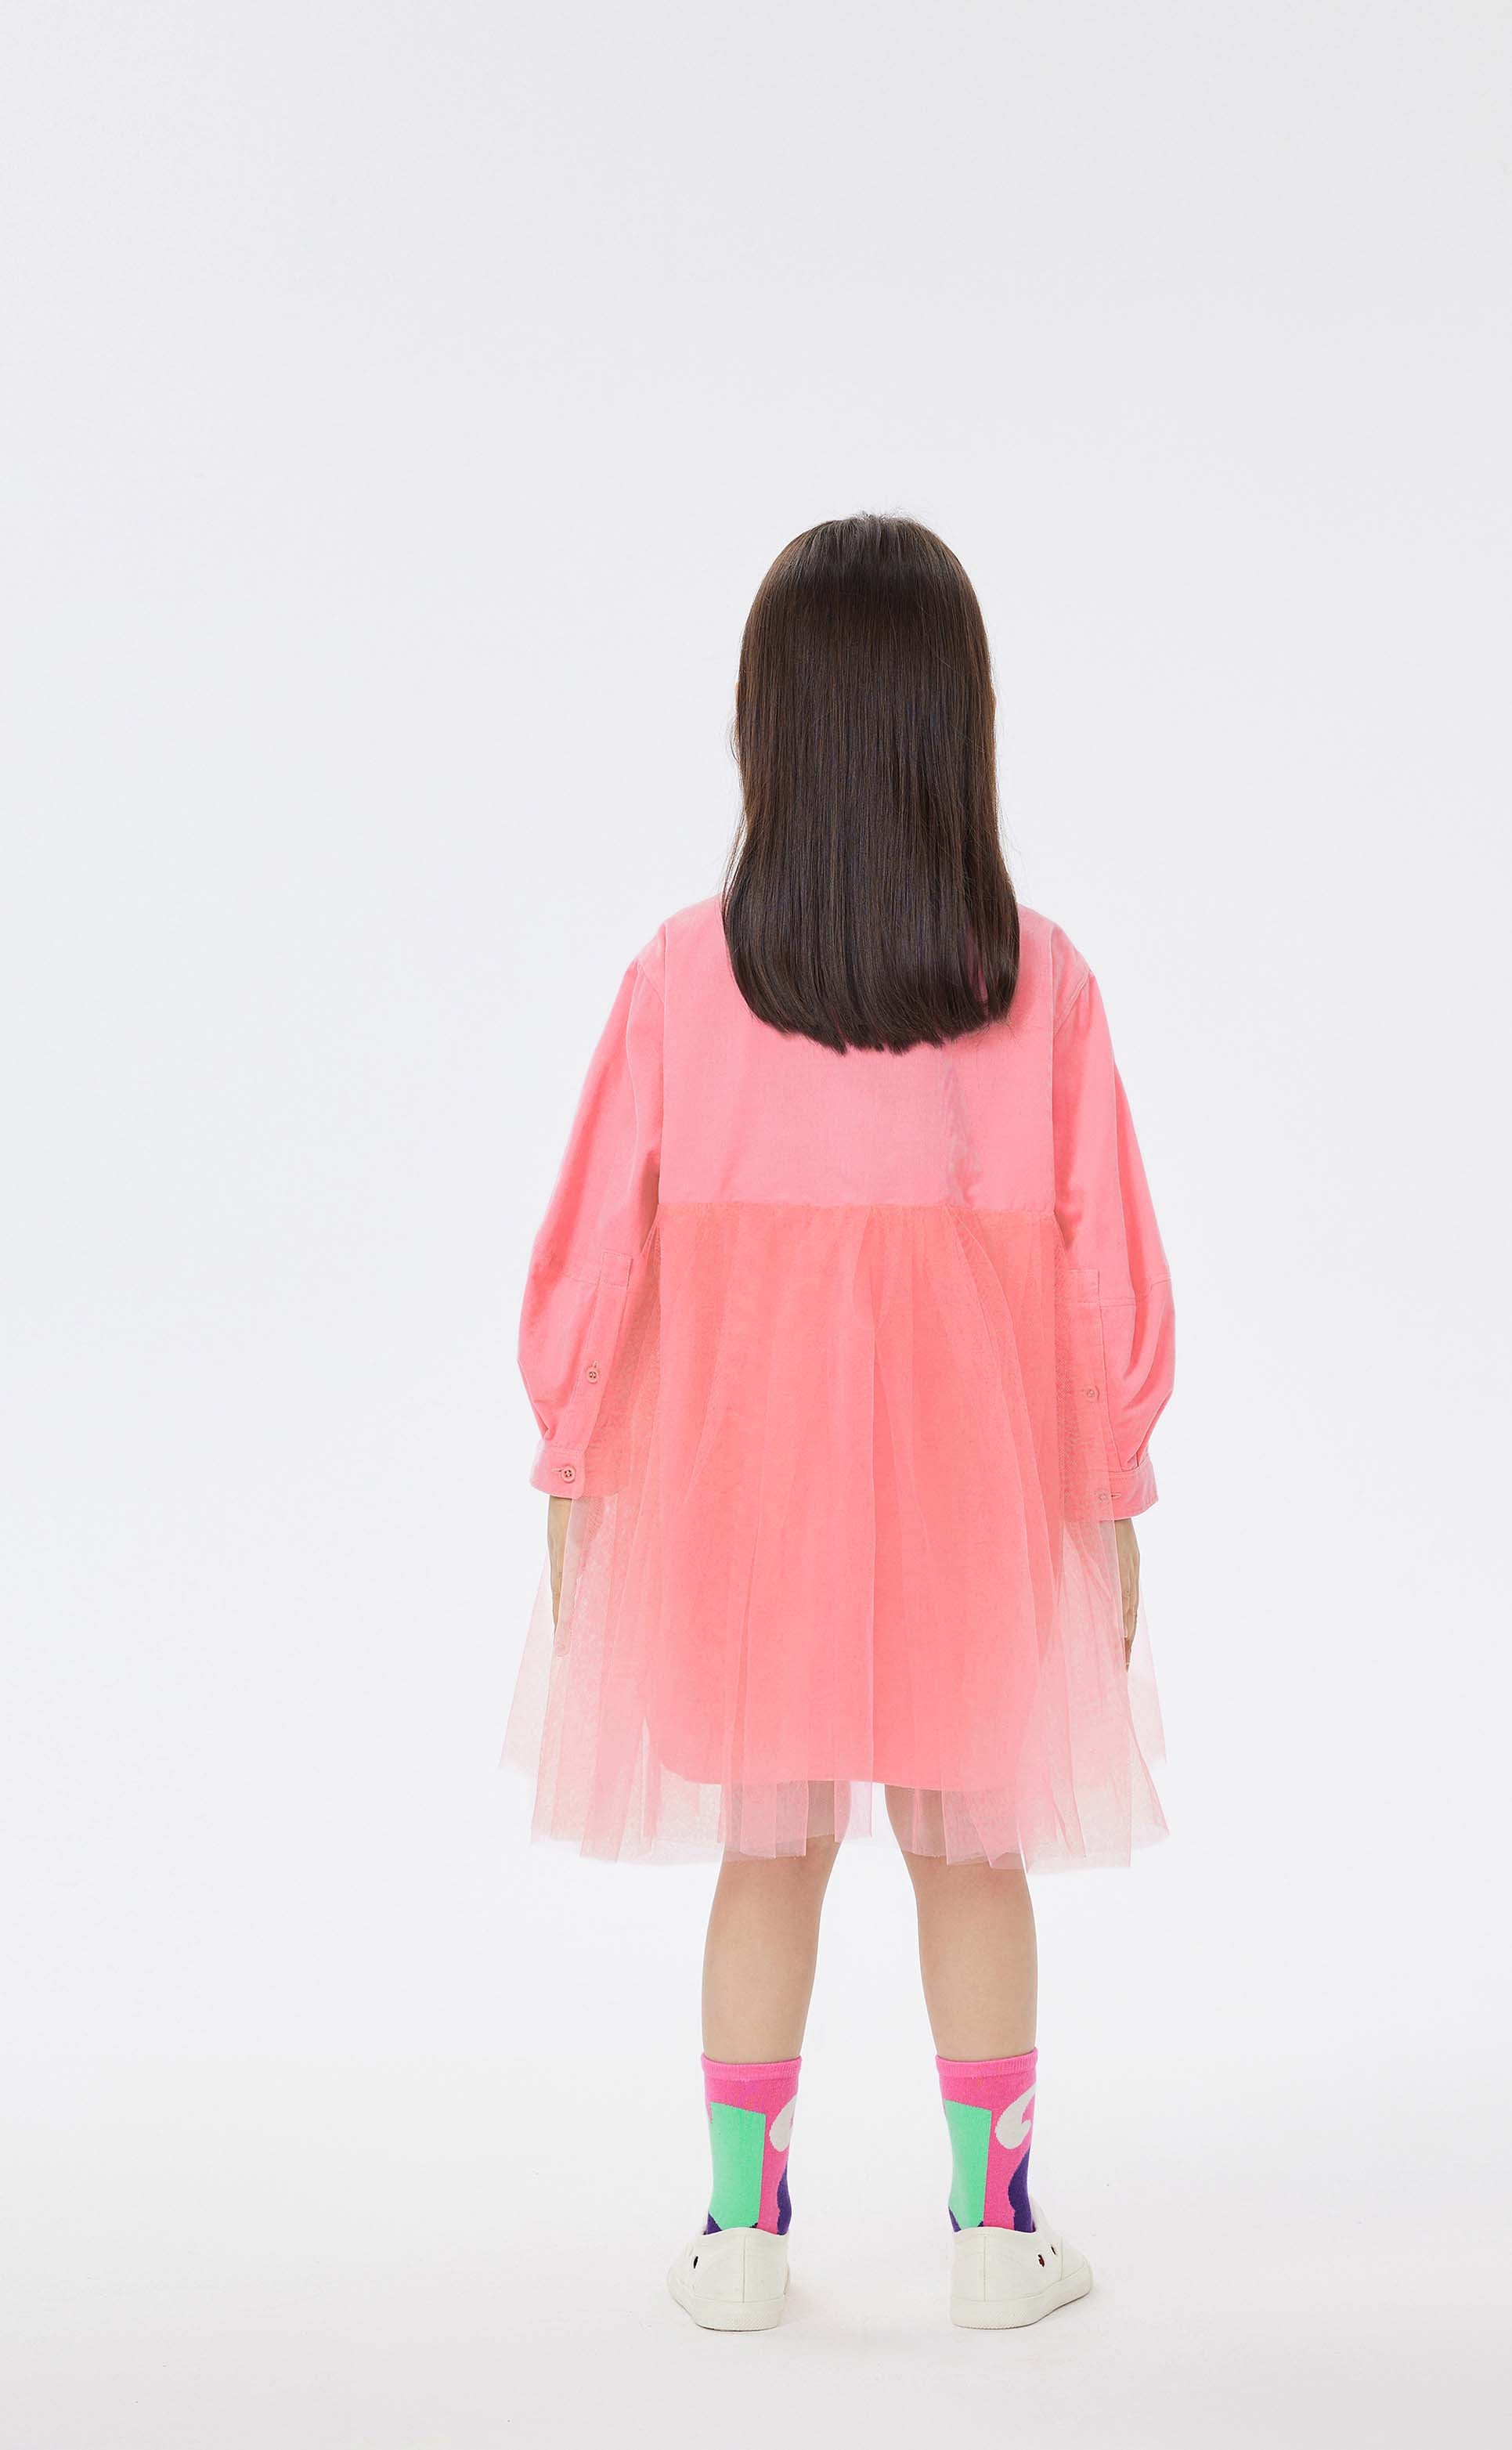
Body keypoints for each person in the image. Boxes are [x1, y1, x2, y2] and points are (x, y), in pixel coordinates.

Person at [504, 514, 1175, 2333]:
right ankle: (997, 2233)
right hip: (975, 1498)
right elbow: (1104, 1263)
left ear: (768, 731)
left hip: (752, 1498)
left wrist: (573, 1457)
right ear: (958, 731)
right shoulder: (1036, 980)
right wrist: (1112, 1483)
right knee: (972, 1849)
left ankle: (739, 2236)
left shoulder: (682, 976)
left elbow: (596, 1246)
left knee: (768, 1848)